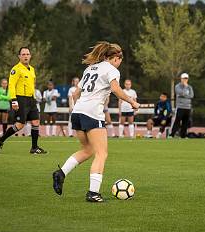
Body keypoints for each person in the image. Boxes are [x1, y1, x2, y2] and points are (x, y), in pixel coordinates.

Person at [52, 41, 140, 202]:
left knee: (87, 150)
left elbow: (75, 94)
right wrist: (132, 101)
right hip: (92, 114)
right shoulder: (111, 70)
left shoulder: (89, 68)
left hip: (78, 112)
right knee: (101, 153)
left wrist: (79, 108)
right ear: (115, 58)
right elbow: (116, 89)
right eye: (120, 60)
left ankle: (61, 173)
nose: (120, 63)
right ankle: (93, 193)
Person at [0, 47, 47, 154]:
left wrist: (34, 98)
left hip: (31, 99)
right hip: (20, 99)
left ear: (30, 56)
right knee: (20, 125)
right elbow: (11, 85)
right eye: (23, 54)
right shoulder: (16, 69)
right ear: (19, 56)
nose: (26, 56)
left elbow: (32, 84)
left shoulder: (32, 69)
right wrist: (14, 100)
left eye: (27, 54)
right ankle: (0, 140)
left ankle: (34, 148)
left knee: (36, 121)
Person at [170, 73, 194, 138]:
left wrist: (184, 94)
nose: (185, 80)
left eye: (186, 78)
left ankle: (183, 135)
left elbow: (191, 95)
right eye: (184, 78)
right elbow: (180, 93)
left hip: (188, 107)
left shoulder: (190, 87)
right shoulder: (177, 86)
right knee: (177, 121)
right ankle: (172, 134)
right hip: (180, 107)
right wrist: (185, 88)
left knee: (185, 122)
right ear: (181, 79)